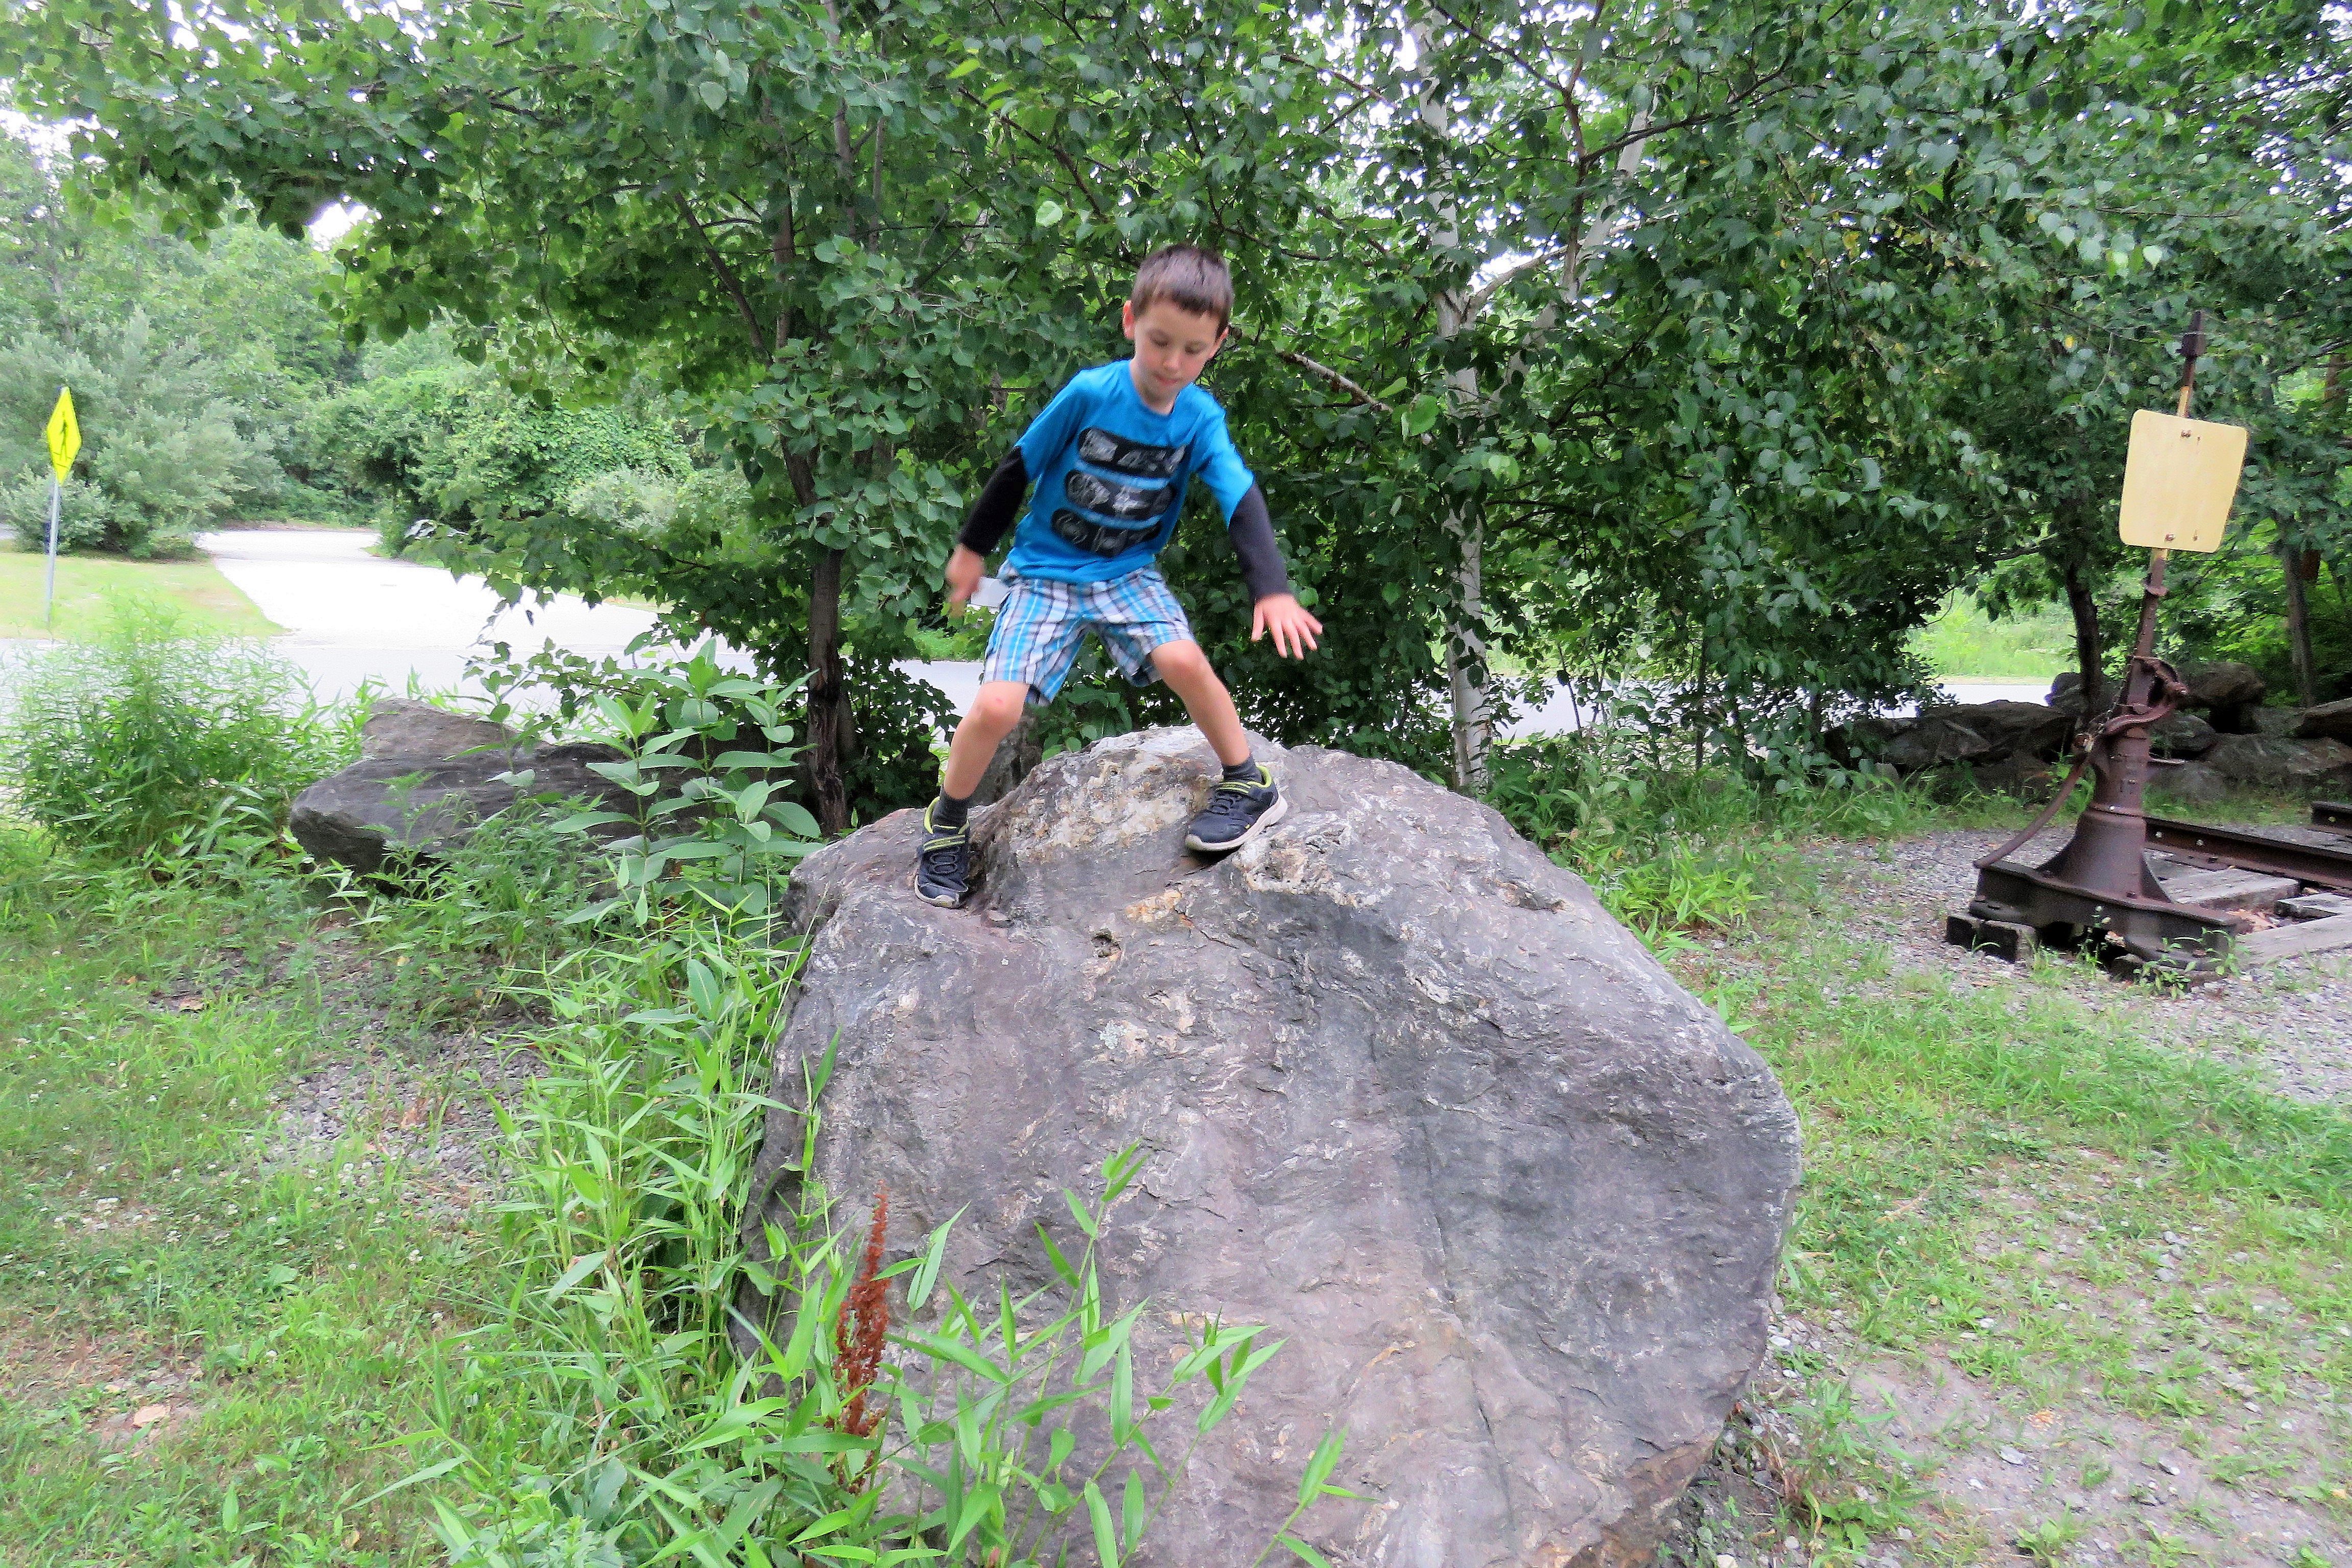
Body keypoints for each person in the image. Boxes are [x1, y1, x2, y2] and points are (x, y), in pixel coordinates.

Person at [913, 244, 1324, 908]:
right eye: (1160, 341)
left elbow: (1239, 495)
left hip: (1126, 572)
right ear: (1131, 320)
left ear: (1218, 344)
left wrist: (1272, 588)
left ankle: (1249, 783)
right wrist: (970, 550)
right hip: (1045, 573)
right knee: (997, 706)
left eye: (1192, 349)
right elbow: (1018, 466)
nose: (1172, 363)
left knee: (1184, 659)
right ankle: (947, 823)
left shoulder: (1199, 418)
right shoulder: (1090, 393)